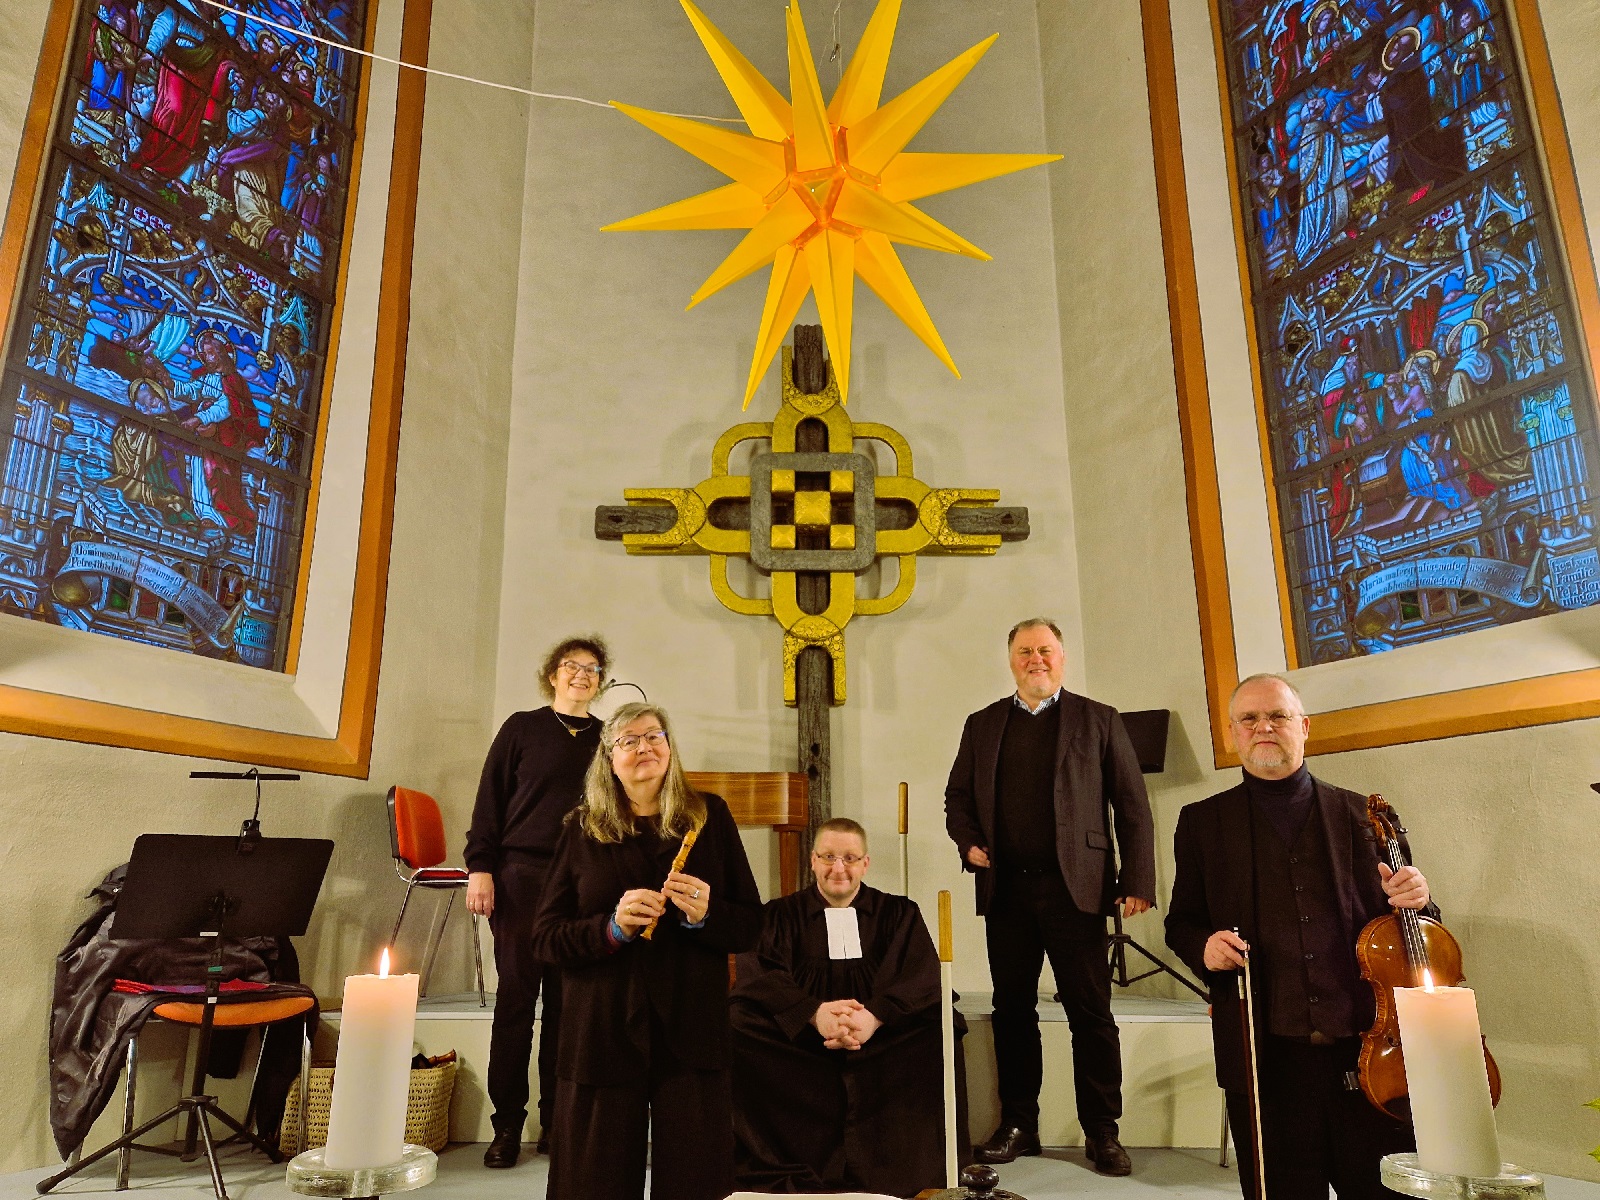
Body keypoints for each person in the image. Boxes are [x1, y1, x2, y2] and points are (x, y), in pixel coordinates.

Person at [1165, 673, 1431, 1200]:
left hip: (1366, 1057)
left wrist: (1419, 898)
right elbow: (1181, 923)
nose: (1263, 727)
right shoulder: (1201, 823)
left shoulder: (1362, 815)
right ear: (1233, 734)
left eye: (1278, 716)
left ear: (1304, 727)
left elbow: (1416, 924)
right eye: (1249, 718)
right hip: (1265, 1061)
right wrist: (1205, 947)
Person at [943, 617, 1155, 1176]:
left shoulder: (1098, 718)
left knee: (1091, 1012)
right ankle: (1020, 1124)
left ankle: (1102, 1131)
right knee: (1012, 1010)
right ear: (1010, 659)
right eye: (1024, 651)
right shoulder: (983, 724)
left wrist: (1137, 880)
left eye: (1045, 649)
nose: (1035, 658)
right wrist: (968, 842)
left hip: (1076, 890)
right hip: (1007, 890)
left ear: (1062, 657)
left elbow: (1132, 805)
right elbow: (957, 797)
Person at [530, 702, 763, 1200]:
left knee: (695, 1179)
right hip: (603, 1023)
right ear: (609, 759)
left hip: (690, 1022)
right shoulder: (582, 828)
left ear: (670, 748)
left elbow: (750, 926)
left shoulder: (709, 816)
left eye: (654, 736)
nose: (644, 747)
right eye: (629, 740)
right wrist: (611, 929)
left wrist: (705, 915)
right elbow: (546, 937)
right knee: (594, 1180)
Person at [731, 818, 966, 1197]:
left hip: (879, 1036)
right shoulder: (778, 914)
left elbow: (919, 977)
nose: (838, 868)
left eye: (850, 858)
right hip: (803, 1038)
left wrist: (872, 1017)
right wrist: (814, 1014)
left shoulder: (899, 913)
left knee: (942, 1025)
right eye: (828, 857)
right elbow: (760, 976)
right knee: (738, 1023)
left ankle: (904, 1166)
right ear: (812, 861)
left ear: (865, 863)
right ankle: (781, 1160)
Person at [463, 636, 608, 1167]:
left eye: (592, 669)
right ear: (553, 674)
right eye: (572, 666)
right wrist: (480, 867)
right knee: (517, 1004)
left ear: (601, 681)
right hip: (521, 875)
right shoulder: (521, 728)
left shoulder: (608, 738)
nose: (581, 675)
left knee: (569, 1008)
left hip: (582, 882)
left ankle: (557, 1122)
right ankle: (506, 1126)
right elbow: (490, 800)